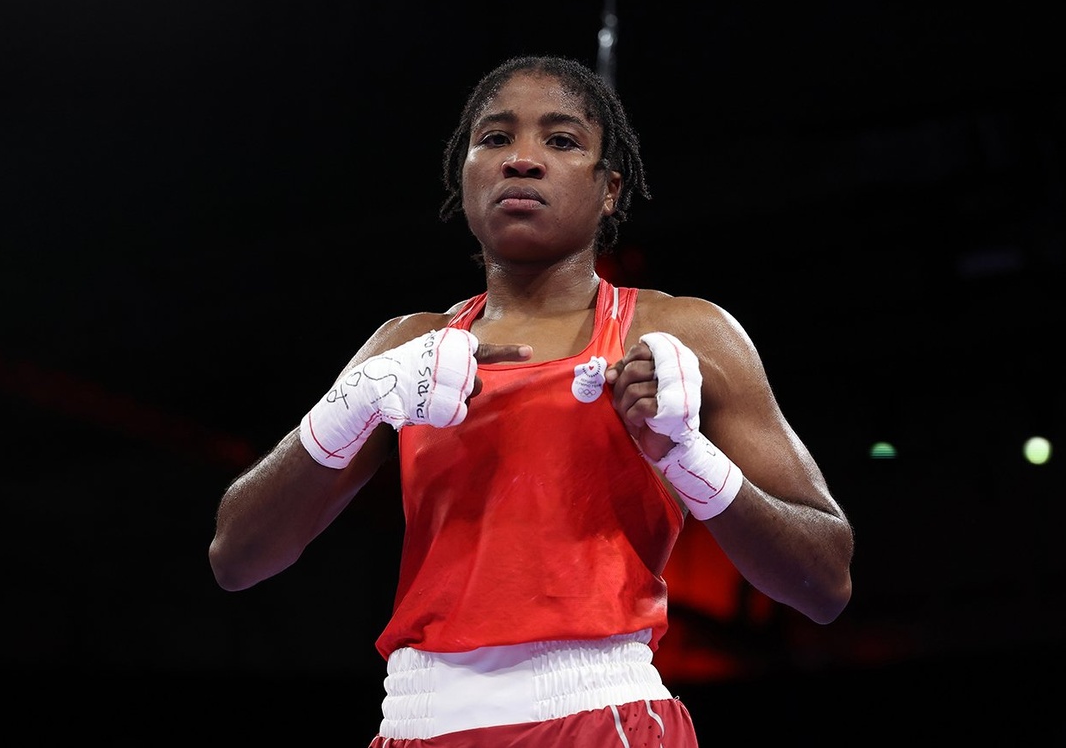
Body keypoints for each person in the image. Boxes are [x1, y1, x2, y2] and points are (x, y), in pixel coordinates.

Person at [208, 54, 855, 747]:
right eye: (495, 138)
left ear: (610, 189)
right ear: (465, 176)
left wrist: (686, 457)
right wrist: (357, 402)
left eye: (561, 139)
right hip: (413, 725)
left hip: (599, 717)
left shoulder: (680, 332)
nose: (522, 159)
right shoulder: (406, 348)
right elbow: (236, 557)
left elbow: (825, 583)